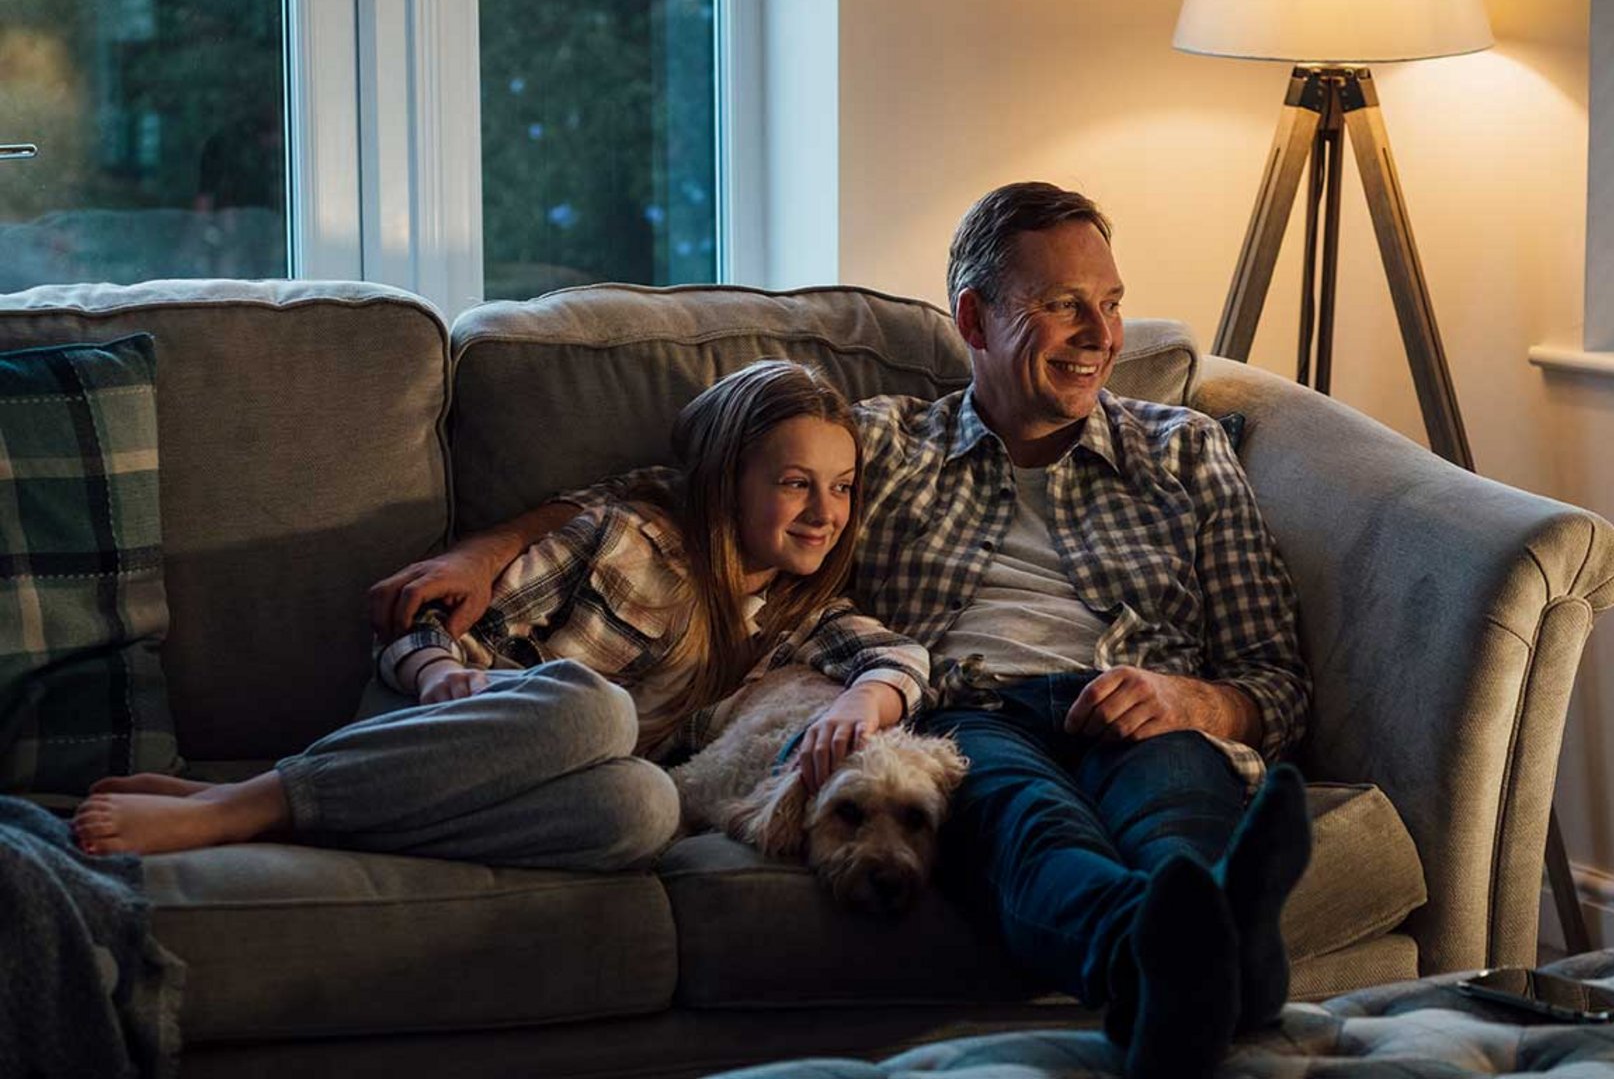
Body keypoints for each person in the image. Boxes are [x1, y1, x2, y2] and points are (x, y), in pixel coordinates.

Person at [357, 183, 1312, 1079]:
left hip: (1145, 704)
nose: (1102, 335)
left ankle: (1209, 944)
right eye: (1065, 305)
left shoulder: (1184, 448)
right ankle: (1210, 969)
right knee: (1029, 828)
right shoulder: (883, 444)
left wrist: (1198, 699)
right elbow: (698, 484)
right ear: (974, 321)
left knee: (1178, 808)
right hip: (966, 714)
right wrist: (487, 551)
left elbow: (1274, 674)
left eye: (1111, 302)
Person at [72, 361, 930, 869]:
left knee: (647, 807)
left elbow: (898, 657)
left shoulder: (795, 610)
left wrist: (864, 701)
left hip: (534, 790)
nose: (827, 510)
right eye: (794, 483)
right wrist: (444, 670)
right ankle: (244, 806)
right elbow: (417, 627)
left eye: (843, 487)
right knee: (596, 707)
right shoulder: (626, 539)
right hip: (434, 726)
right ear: (725, 481)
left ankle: (292, 807)